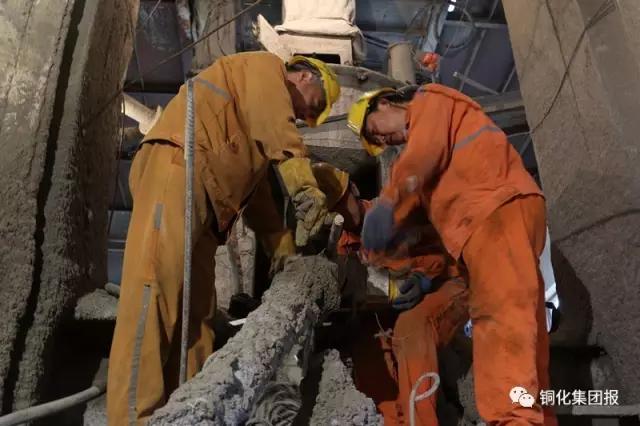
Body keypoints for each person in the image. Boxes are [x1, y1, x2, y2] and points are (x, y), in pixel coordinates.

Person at [107, 52, 340, 425]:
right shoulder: (265, 68)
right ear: (306, 77)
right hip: (179, 167)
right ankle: (132, 417)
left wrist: (280, 243)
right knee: (154, 291)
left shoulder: (253, 123)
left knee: (197, 315)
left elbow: (258, 196)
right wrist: (304, 187)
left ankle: (190, 408)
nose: (303, 117)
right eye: (311, 109)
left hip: (207, 204)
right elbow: (279, 128)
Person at [347, 84, 557, 425]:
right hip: (498, 218)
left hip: (492, 211)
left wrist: (387, 203)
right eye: (377, 142)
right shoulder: (424, 162)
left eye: (375, 131)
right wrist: (399, 254)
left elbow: (419, 161)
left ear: (384, 103)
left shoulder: (430, 100)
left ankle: (512, 418)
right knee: (524, 326)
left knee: (499, 320)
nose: (383, 140)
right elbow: (415, 203)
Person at [312, 163, 469, 426]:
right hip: (391, 308)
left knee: (411, 327)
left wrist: (423, 278)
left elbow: (446, 243)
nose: (341, 213)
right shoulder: (343, 246)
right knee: (367, 346)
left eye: (341, 202)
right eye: (332, 209)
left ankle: (421, 422)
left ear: (354, 189)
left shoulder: (395, 213)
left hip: (447, 283)